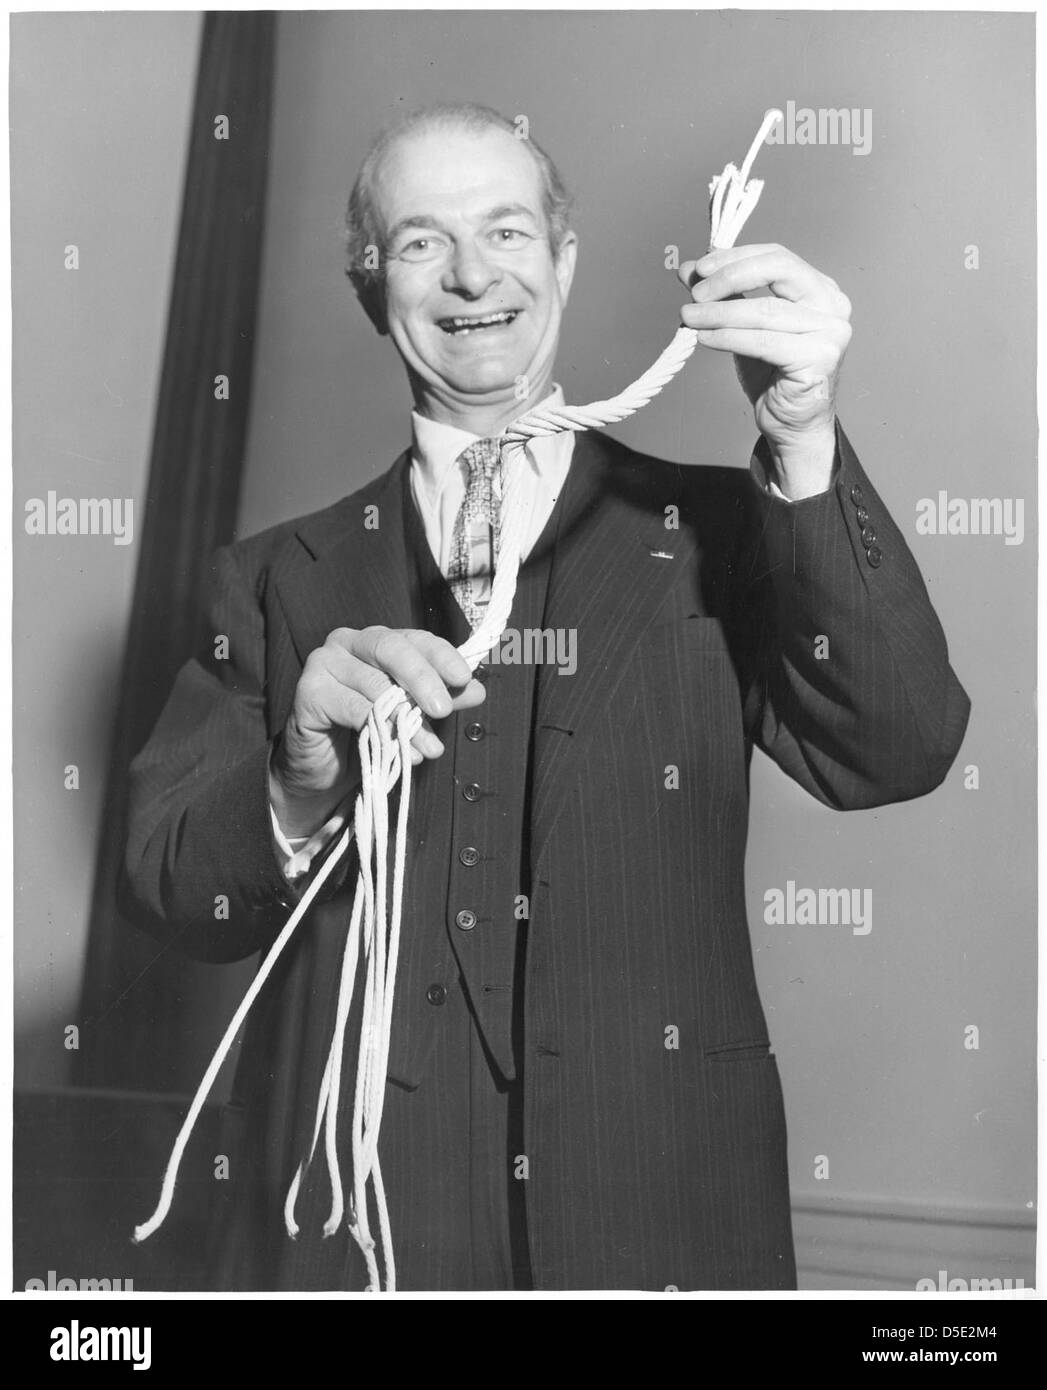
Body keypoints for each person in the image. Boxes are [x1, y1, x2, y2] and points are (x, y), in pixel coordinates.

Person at [121, 102, 970, 1291]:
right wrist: (298, 778)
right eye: (421, 242)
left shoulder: (724, 531)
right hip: (361, 1238)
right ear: (375, 287)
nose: (473, 272)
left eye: (508, 232)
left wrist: (803, 427)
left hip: (666, 1212)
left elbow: (903, 745)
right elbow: (175, 895)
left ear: (562, 260)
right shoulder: (270, 578)